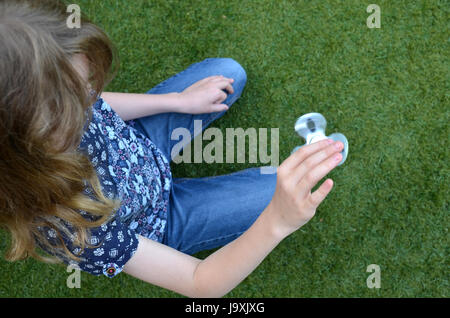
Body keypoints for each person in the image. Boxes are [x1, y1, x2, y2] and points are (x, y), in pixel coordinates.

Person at [0, 0, 344, 297]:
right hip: (160, 220)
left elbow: (99, 105)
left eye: (85, 87)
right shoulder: (72, 229)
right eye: (74, 106)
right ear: (23, 147)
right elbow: (199, 281)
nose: (88, 101)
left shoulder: (50, 105)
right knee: (279, 192)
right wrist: (278, 222)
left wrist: (178, 100)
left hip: (138, 146)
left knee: (227, 73)